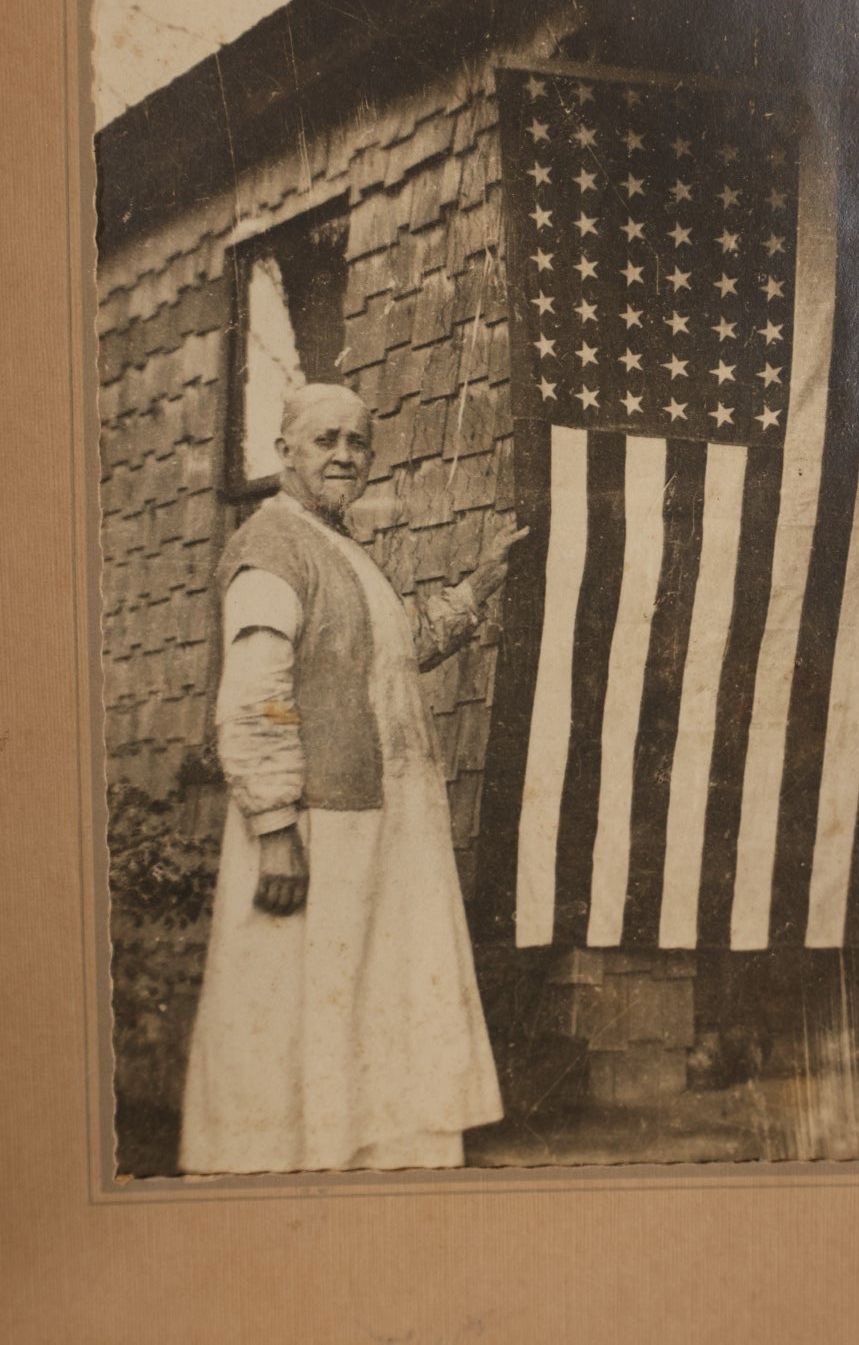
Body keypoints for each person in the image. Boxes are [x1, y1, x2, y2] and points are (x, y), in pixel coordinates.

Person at [180, 383, 526, 1175]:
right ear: (285, 453)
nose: (343, 454)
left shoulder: (336, 545)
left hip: (384, 825)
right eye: (325, 439)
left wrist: (477, 587)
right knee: (300, 1004)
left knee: (373, 998)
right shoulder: (275, 547)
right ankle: (280, 1173)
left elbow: (396, 647)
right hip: (317, 827)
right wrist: (273, 829)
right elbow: (254, 693)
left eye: (356, 442)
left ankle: (375, 1163)